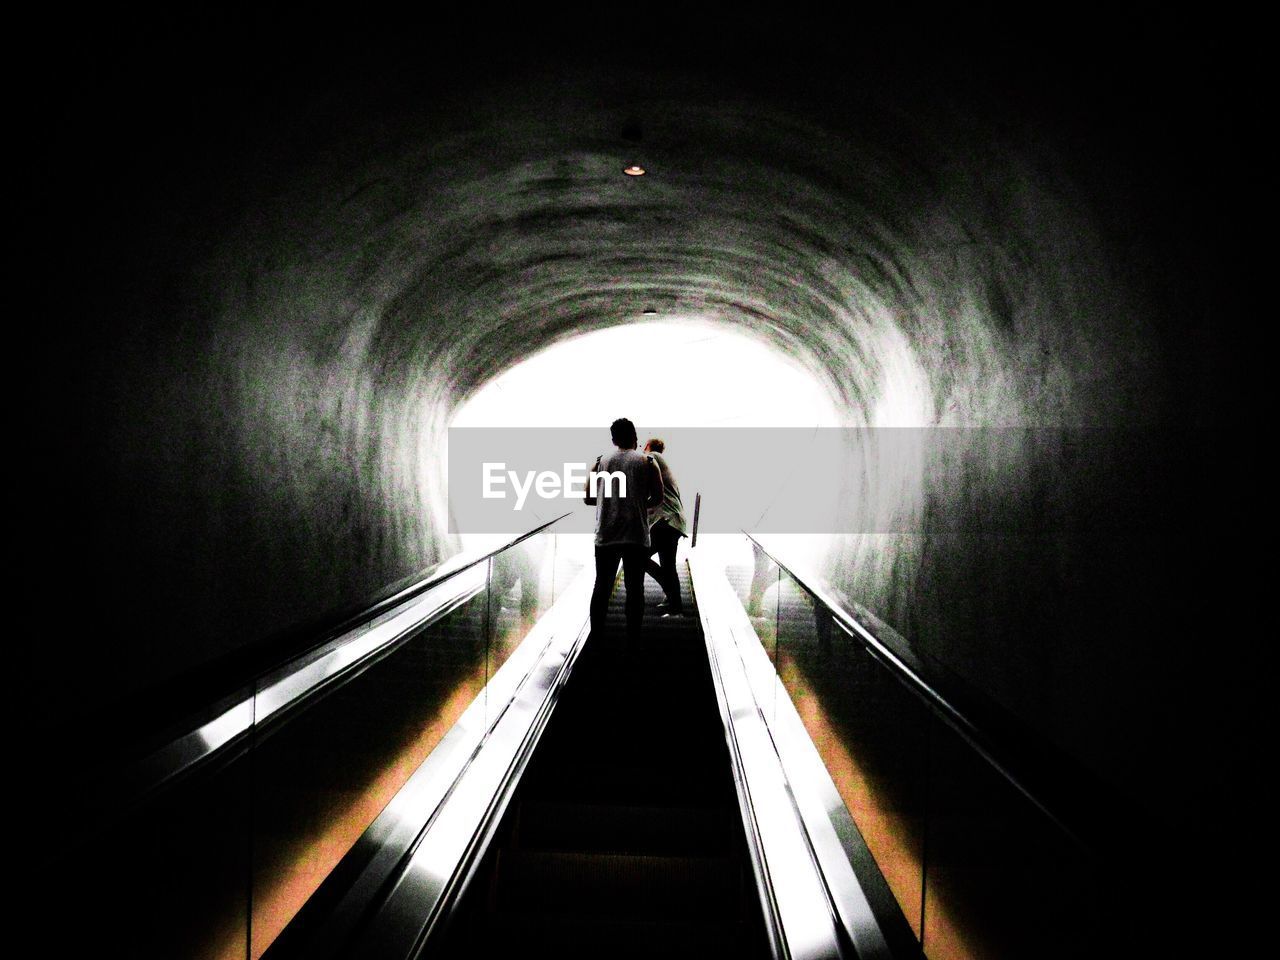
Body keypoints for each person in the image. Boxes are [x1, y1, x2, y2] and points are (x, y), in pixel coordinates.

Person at [585, 418, 663, 643]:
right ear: (635, 437)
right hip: (636, 534)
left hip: (606, 533)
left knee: (602, 586)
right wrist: (636, 503)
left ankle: (597, 637)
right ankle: (633, 640)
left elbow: (588, 497)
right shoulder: (647, 462)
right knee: (635, 589)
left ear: (613, 439)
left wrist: (608, 502)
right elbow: (657, 497)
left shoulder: (600, 462)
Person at [642, 437, 689, 615]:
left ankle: (671, 594)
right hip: (672, 521)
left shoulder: (652, 457)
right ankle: (674, 604)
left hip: (667, 520)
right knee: (668, 564)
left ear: (648, 447)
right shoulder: (661, 465)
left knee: (639, 556)